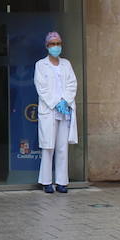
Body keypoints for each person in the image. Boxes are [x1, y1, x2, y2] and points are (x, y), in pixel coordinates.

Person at [34, 32, 78, 193]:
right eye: (52, 44)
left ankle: (61, 182)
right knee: (48, 146)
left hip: (64, 110)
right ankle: (46, 182)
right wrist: (55, 102)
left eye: (58, 43)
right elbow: (41, 88)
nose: (56, 47)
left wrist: (64, 101)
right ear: (47, 46)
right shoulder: (40, 65)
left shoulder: (66, 64)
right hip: (49, 110)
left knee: (62, 147)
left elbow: (72, 84)